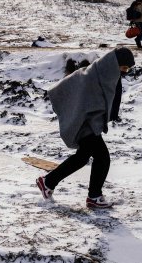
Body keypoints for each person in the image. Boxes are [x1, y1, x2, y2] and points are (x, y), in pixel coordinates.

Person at [36, 47, 135, 209]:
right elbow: (79, 92)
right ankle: (94, 196)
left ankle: (48, 182)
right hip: (84, 122)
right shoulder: (94, 74)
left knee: (83, 157)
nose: (124, 72)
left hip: (88, 122)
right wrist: (83, 115)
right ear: (114, 64)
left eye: (127, 69)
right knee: (102, 158)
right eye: (123, 68)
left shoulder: (106, 75)